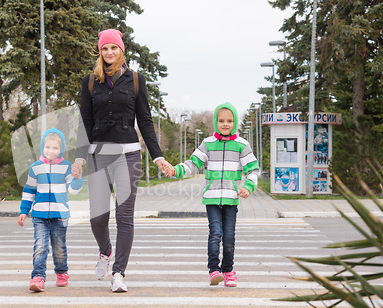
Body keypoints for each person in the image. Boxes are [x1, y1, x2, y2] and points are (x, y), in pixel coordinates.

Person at [72, 29, 174, 293]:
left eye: (113, 48)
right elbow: (85, 120)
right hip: (98, 155)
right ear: (100, 51)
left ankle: (119, 273)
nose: (109, 53)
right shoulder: (90, 81)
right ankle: (105, 251)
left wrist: (158, 155)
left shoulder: (135, 80)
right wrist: (79, 157)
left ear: (121, 50)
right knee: (97, 217)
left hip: (129, 154)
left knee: (124, 215)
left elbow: (146, 121)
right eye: (105, 48)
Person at [167, 102, 259, 287]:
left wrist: (248, 187)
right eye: (221, 120)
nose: (225, 124)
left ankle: (228, 270)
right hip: (212, 198)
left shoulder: (242, 145)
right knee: (215, 233)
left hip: (231, 199)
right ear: (216, 122)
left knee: (229, 237)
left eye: (230, 120)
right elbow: (193, 164)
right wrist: (176, 170)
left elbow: (253, 170)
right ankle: (214, 271)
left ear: (235, 122)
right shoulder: (208, 144)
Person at [18, 128, 84, 292]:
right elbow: (29, 191)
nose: (51, 151)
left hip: (60, 214)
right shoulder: (35, 167)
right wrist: (24, 211)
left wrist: (77, 178)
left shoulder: (67, 167)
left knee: (59, 247)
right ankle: (38, 277)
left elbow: (73, 190)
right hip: (39, 214)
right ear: (42, 147)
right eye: (48, 147)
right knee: (40, 246)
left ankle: (62, 272)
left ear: (61, 149)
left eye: (55, 148)